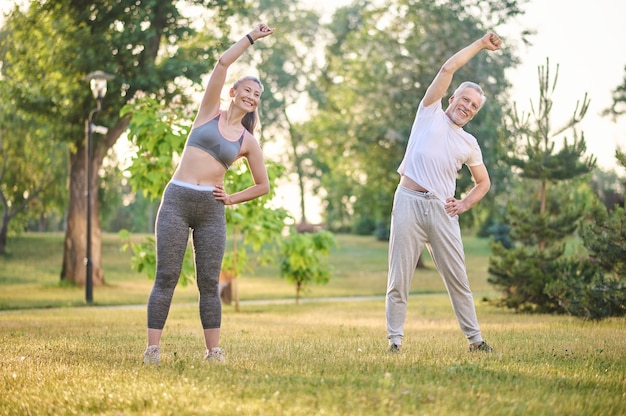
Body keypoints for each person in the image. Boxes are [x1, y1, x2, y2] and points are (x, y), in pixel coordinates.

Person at [143, 23, 275, 365]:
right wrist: (250, 38)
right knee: (167, 276)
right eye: (247, 90)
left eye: (257, 95)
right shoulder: (207, 113)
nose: (251, 97)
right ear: (233, 92)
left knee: (208, 283)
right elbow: (221, 63)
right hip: (177, 200)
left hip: (210, 209)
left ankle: (213, 352)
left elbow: (264, 185)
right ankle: (152, 350)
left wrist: (230, 198)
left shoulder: (247, 141)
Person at [385, 32, 502, 353]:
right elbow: (448, 69)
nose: (467, 107)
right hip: (408, 202)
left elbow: (484, 183)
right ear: (452, 98)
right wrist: (480, 44)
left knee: (458, 280)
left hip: (441, 210)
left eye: (474, 106)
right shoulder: (429, 112)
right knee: (399, 278)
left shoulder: (469, 144)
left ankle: (476, 340)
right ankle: (395, 340)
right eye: (464, 99)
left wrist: (463, 204)